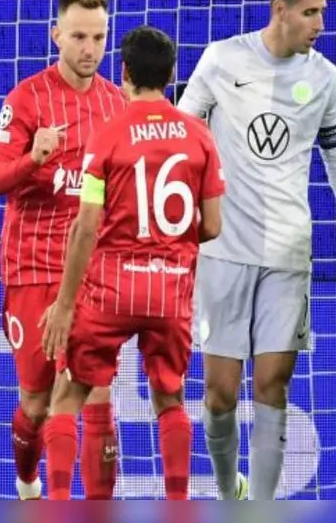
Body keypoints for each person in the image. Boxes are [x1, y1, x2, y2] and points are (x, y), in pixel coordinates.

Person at [176, 0, 336, 500]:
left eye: (324, 12)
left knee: (272, 384)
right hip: (222, 249)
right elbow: (181, 139)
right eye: (311, 12)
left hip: (289, 255)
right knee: (221, 394)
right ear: (281, 9)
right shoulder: (223, 60)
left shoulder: (324, 79)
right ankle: (230, 491)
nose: (320, 24)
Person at [40, 25, 225, 501]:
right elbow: (213, 225)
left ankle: (58, 506)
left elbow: (85, 226)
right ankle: (179, 505)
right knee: (170, 400)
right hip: (169, 290)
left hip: (112, 288)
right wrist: (170, 244)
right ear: (172, 74)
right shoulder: (200, 136)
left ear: (122, 72)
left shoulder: (108, 136)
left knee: (68, 396)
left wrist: (64, 303)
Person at [0, 0, 126, 500]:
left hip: (93, 275)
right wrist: (34, 159)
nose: (90, 49)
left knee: (97, 398)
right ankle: (27, 483)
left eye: (99, 37)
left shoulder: (117, 105)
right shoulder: (26, 98)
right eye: (79, 37)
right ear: (56, 36)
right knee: (38, 403)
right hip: (33, 269)